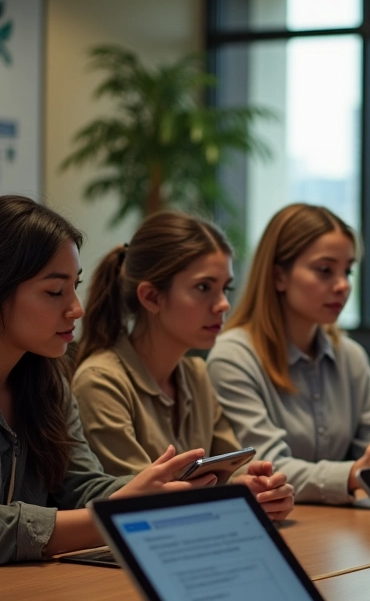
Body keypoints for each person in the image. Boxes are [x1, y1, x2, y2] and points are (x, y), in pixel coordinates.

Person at [0, 195, 224, 564]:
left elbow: (82, 486)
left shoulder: (48, 382)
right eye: (55, 291)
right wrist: (111, 517)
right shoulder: (99, 376)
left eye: (75, 286)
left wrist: (167, 493)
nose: (77, 308)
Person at [71, 211, 293, 521]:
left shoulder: (196, 374)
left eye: (225, 288)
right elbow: (143, 501)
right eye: (204, 288)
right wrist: (231, 497)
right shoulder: (100, 381)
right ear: (151, 297)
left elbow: (233, 464)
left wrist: (258, 488)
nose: (224, 304)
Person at [207, 203, 370, 505]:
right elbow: (266, 469)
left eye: (348, 270)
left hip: (337, 528)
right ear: (279, 276)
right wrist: (355, 473)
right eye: (325, 270)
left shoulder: (350, 356)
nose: (343, 285)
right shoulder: (233, 357)